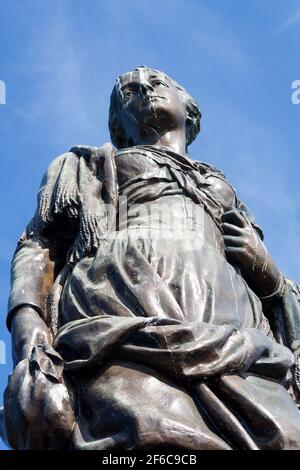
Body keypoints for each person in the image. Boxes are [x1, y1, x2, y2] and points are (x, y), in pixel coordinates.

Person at [3, 66, 300, 450]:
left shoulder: (223, 188)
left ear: (187, 105)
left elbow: (279, 296)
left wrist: (269, 273)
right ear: (118, 123)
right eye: (129, 91)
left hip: (231, 327)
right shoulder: (90, 165)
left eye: (156, 82)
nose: (143, 88)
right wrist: (28, 325)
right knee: (153, 437)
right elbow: (38, 245)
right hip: (121, 311)